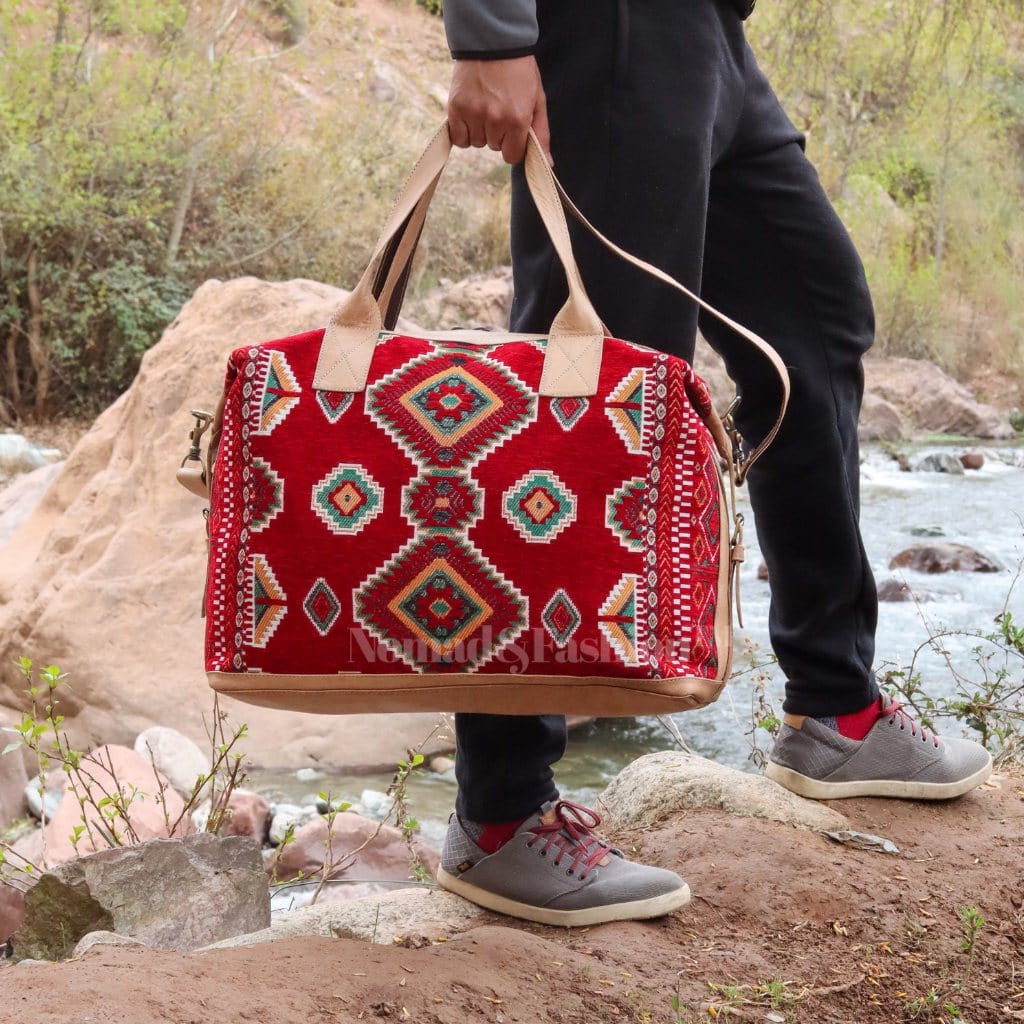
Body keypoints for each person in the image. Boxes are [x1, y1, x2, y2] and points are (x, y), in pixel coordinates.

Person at [433, 0, 992, 927]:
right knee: (590, 390)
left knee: (816, 322)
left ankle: (836, 712)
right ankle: (499, 811)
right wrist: (491, 34)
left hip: (706, 35)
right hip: (608, 31)